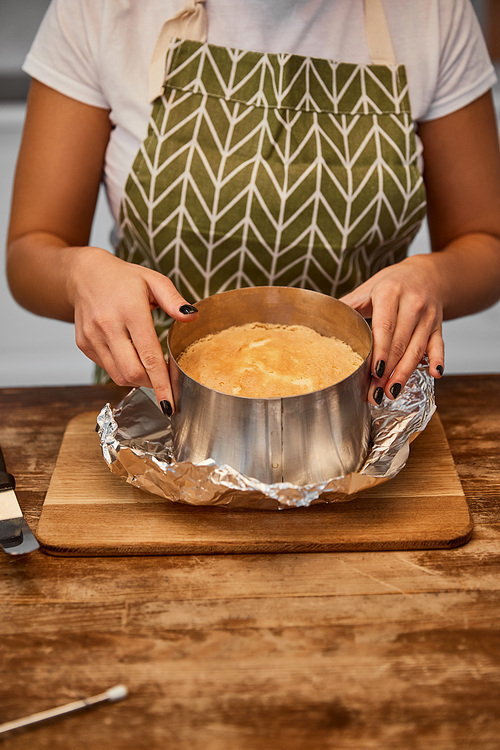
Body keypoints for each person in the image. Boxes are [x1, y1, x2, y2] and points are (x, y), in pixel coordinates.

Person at [6, 0, 500, 416]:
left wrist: (432, 278)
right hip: (157, 408)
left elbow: (485, 242)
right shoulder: (98, 9)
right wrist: (80, 274)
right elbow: (31, 251)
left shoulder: (433, 13)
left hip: (353, 409)